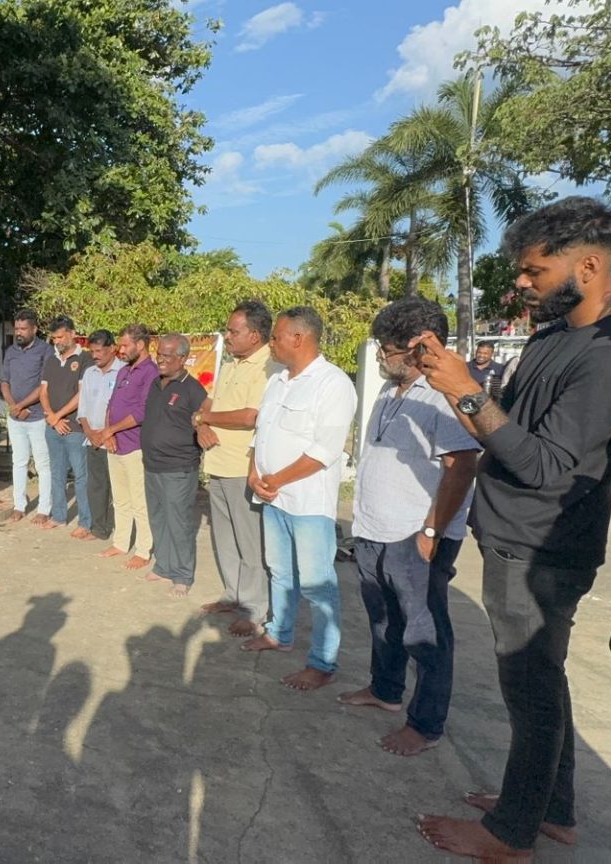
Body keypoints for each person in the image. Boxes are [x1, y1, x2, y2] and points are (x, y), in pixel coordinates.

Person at [412, 197, 611, 859]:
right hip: (510, 534)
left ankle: (512, 832)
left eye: (534, 271)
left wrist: (467, 390)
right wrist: (454, 387)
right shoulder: (553, 335)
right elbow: (505, 431)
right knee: (540, 681)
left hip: (544, 547)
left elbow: (545, 465)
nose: (522, 283)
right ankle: (550, 807)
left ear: (589, 265)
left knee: (530, 689)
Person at [337, 298, 479, 757]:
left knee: (425, 632)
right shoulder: (390, 389)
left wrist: (432, 532)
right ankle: (385, 690)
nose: (381, 354)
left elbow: (462, 466)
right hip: (375, 531)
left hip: (416, 536)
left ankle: (425, 724)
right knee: (384, 619)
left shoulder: (443, 396)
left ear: (419, 347)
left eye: (388, 347)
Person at [243, 306, 357, 693]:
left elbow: (325, 450)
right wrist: (254, 475)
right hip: (274, 498)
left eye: (275, 337)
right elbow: (261, 434)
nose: (271, 344)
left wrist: (274, 479)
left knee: (317, 584)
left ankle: (322, 662)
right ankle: (280, 633)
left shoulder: (332, 383)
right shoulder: (278, 380)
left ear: (298, 338)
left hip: (308, 504)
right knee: (280, 571)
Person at [195, 300, 278, 636]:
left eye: (233, 331)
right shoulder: (230, 362)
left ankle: (254, 608)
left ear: (254, 335)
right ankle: (233, 595)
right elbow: (209, 401)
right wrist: (202, 423)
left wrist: (205, 418)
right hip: (217, 462)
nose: (227, 336)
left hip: (243, 467)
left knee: (250, 543)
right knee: (225, 539)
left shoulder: (268, 366)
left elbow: (250, 416)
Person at [139, 334, 208, 598]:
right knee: (158, 518)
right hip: (152, 465)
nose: (161, 360)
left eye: (167, 356)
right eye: (159, 354)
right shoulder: (156, 384)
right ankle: (164, 566)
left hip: (178, 468)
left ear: (182, 358)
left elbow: (204, 420)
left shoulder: (193, 389)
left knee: (178, 522)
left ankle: (182, 575)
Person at [92, 324, 159, 569]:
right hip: (115, 445)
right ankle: (120, 543)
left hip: (136, 446)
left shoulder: (151, 372)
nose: (120, 349)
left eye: (125, 345)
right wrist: (108, 432)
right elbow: (111, 405)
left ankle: (143, 549)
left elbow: (142, 411)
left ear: (140, 345)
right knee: (120, 499)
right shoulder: (123, 371)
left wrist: (111, 430)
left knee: (139, 501)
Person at [0, 309, 55, 523]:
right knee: (19, 462)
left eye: (23, 329)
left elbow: (44, 385)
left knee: (43, 464)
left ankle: (44, 509)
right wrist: (14, 407)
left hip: (38, 417)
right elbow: (4, 382)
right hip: (16, 419)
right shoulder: (11, 351)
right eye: (17, 328)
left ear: (34, 329)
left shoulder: (46, 350)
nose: (19, 333)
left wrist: (22, 405)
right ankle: (19, 506)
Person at [39, 316, 93, 532]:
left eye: (60, 337)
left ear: (72, 333)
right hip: (53, 427)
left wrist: (58, 416)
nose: (57, 341)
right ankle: (59, 516)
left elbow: (82, 394)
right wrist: (52, 417)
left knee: (81, 476)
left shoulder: (85, 359)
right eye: (54, 338)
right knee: (57, 473)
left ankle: (85, 522)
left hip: (75, 429)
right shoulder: (51, 360)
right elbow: (43, 392)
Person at [75, 329, 124, 543]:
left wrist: (106, 433)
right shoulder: (89, 373)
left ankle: (123, 533)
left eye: (98, 351)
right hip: (92, 439)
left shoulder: (124, 372)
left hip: (116, 439)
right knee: (96, 486)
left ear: (112, 348)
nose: (94, 356)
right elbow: (83, 408)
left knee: (120, 490)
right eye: (92, 351)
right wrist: (89, 432)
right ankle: (99, 529)